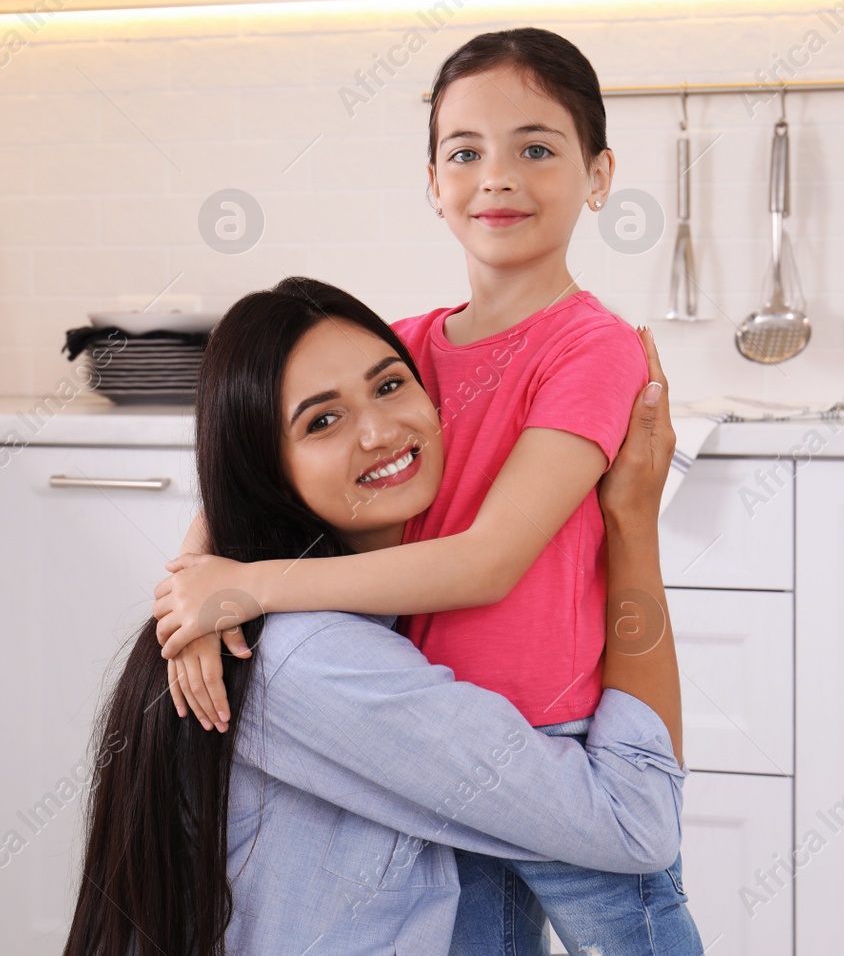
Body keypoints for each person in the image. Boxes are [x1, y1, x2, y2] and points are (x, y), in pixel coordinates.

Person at [154, 28, 702, 954]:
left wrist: (251, 584)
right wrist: (194, 583)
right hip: (442, 729)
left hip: (555, 730)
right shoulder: (401, 352)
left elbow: (489, 563)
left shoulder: (590, 347)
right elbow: (248, 472)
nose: (498, 177)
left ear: (600, 175)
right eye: (465, 152)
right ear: (433, 183)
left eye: (537, 148)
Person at [63, 277, 689, 956]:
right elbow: (634, 824)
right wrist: (631, 525)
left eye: (390, 385)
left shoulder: (328, 612)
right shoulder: (320, 661)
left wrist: (205, 568)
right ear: (265, 467)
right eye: (322, 420)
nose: (379, 431)